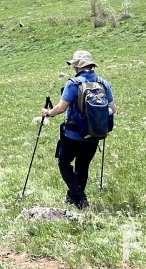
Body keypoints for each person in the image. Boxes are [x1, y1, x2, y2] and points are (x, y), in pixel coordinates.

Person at [40, 50, 115, 210]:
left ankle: (80, 197)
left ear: (77, 67)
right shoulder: (103, 83)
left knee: (64, 163)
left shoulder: (73, 84)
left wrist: (48, 113)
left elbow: (61, 108)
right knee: (83, 166)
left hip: (73, 134)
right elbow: (113, 109)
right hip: (95, 134)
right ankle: (75, 198)